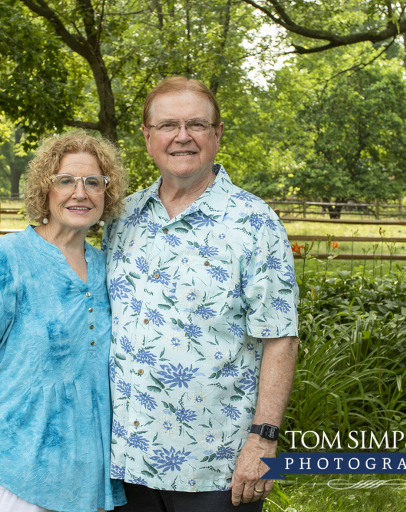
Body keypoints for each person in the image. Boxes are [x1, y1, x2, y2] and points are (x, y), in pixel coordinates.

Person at [101, 77, 300, 511]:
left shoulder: (254, 222)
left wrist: (264, 439)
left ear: (217, 134)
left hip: (216, 464)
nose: (182, 136)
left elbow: (280, 336)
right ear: (147, 136)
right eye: (168, 124)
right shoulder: (121, 217)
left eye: (196, 124)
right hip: (122, 459)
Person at [0, 132, 128, 512]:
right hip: (6, 472)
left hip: (85, 478)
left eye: (93, 182)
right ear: (45, 189)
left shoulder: (108, 269)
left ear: (108, 193)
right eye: (65, 180)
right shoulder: (6, 260)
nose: (80, 193)